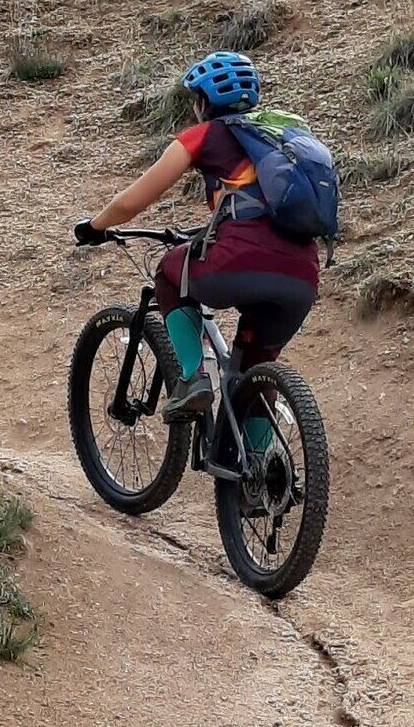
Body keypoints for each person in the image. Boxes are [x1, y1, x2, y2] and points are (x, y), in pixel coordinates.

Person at [73, 50, 318, 442]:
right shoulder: (283, 132)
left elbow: (132, 202)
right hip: (304, 273)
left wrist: (95, 226)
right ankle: (260, 475)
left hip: (240, 259)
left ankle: (192, 380)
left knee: (170, 271)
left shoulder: (205, 134)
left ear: (203, 102)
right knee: (256, 361)